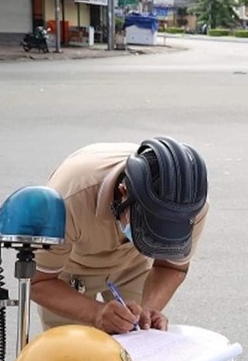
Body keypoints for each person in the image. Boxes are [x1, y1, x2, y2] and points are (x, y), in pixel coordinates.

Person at [31, 136, 209, 335]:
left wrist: (149, 309)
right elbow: (39, 282)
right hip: (69, 270)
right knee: (68, 353)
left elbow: (171, 267)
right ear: (123, 193)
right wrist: (97, 314)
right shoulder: (65, 201)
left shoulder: (189, 207)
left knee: (137, 344)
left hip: (134, 264)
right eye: (149, 230)